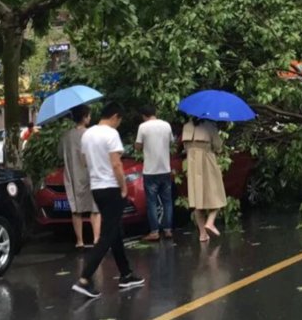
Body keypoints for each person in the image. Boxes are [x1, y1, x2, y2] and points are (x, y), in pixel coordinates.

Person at [72, 103, 144, 299]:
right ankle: (85, 279)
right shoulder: (111, 134)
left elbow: (85, 161)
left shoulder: (87, 134)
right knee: (107, 235)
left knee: (114, 231)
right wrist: (123, 187)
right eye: (119, 121)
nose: (118, 124)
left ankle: (126, 274)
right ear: (115, 116)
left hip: (96, 188)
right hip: (111, 187)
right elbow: (116, 164)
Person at [60, 105, 100, 249]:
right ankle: (96, 239)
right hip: (90, 174)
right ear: (84, 117)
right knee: (95, 208)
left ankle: (80, 241)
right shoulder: (91, 134)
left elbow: (60, 154)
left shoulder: (66, 136)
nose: (90, 118)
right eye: (88, 115)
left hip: (73, 175)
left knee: (76, 209)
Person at [181, 118, 226, 243]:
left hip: (192, 163)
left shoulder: (186, 126)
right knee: (217, 193)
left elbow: (185, 147)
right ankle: (210, 222)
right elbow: (218, 146)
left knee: (197, 200)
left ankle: (202, 234)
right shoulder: (210, 126)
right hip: (207, 162)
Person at [136, 106, 174, 242]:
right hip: (165, 169)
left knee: (152, 202)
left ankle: (154, 232)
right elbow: (171, 142)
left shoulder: (143, 127)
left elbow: (138, 146)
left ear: (143, 115)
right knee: (167, 201)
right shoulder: (166, 125)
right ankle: (168, 230)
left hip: (150, 171)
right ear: (155, 113)